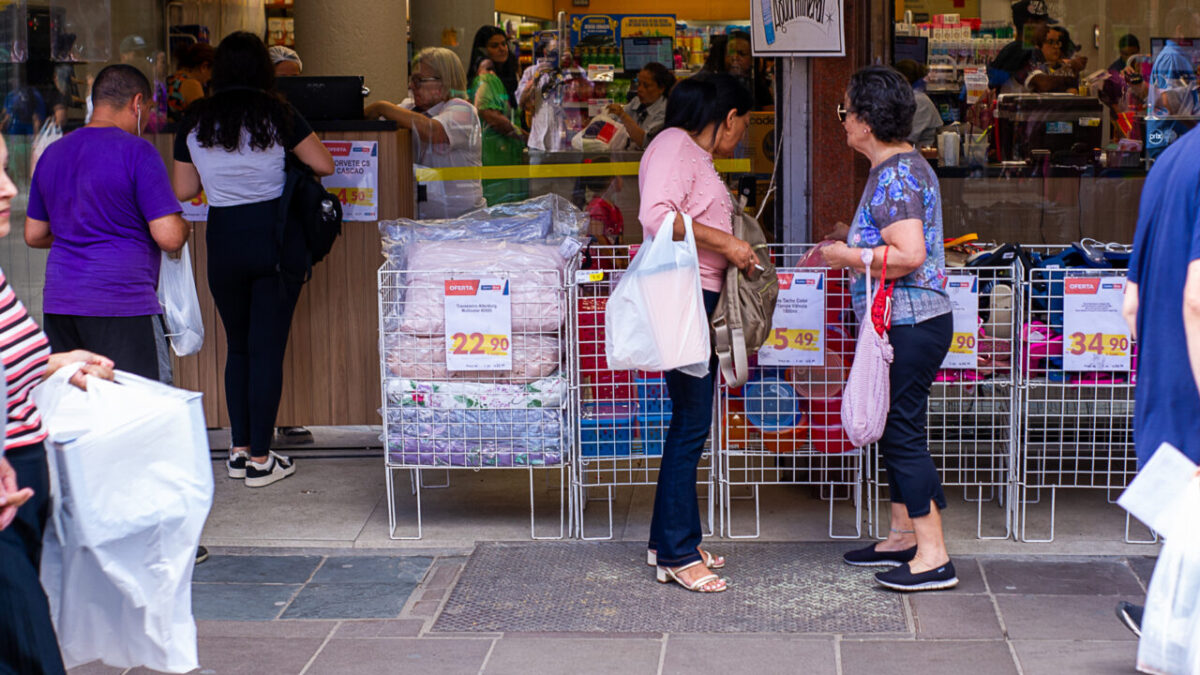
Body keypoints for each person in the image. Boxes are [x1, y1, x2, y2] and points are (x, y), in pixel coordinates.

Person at [173, 31, 334, 488]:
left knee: (239, 345)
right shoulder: (278, 114)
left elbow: (184, 189)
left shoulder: (196, 119)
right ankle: (262, 460)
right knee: (267, 348)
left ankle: (239, 450)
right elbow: (324, 165)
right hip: (274, 237)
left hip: (224, 238)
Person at [822, 65, 956, 592]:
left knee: (901, 432)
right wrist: (853, 238)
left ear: (866, 121)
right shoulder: (901, 167)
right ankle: (902, 536)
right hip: (914, 319)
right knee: (899, 425)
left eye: (845, 111)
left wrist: (847, 255)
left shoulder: (895, 175)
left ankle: (933, 554)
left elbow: (909, 254)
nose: (842, 121)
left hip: (909, 319)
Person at [0, 131, 117, 675]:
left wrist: (59, 362)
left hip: (20, 480)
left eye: (7, 169)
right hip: (7, 490)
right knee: (31, 652)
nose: (9, 188)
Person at [639, 72, 755, 594]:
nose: (742, 135)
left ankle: (667, 540)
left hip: (695, 296)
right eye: (743, 124)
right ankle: (678, 554)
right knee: (690, 423)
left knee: (689, 420)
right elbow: (656, 217)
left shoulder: (691, 153)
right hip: (686, 297)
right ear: (728, 118)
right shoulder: (675, 145)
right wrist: (728, 245)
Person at [25, 64, 189, 385]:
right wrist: (183, 227)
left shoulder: (53, 153)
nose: (148, 118)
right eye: (148, 109)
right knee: (138, 402)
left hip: (61, 302)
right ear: (137, 103)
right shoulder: (139, 152)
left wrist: (79, 231)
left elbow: (34, 233)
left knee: (75, 402)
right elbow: (169, 237)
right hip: (123, 302)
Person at [1115, 124, 1200, 637]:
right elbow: (1197, 298)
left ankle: (1170, 623)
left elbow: (1131, 303)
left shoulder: (1170, 161)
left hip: (1166, 384)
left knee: (1188, 525)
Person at [365, 47, 485, 220]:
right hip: (422, 221)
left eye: (419, 80)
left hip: (461, 221)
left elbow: (433, 131)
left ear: (444, 82)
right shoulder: (410, 108)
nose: (411, 86)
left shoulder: (463, 110)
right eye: (411, 80)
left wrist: (381, 107)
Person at [467, 26, 528, 206]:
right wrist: (525, 137)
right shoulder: (487, 78)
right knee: (499, 208)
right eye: (494, 46)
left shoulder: (501, 77)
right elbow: (490, 115)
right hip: (493, 155)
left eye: (504, 44)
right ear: (484, 50)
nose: (502, 49)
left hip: (505, 155)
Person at [606, 62, 674, 150]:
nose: (639, 89)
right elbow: (615, 119)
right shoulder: (636, 101)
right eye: (639, 84)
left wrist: (623, 115)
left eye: (646, 86)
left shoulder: (666, 112)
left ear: (661, 88)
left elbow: (644, 141)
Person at [703, 30, 772, 108]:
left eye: (742, 54)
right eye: (730, 53)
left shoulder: (759, 88)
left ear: (752, 60)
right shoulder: (713, 85)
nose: (735, 58)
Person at [894, 59, 942, 148]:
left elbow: (908, 137)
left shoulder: (919, 100)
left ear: (904, 79)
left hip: (922, 152)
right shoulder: (910, 98)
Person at [166, 42, 215, 120]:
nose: (210, 78)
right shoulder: (192, 84)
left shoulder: (172, 79)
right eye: (212, 72)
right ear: (204, 67)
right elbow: (203, 120)